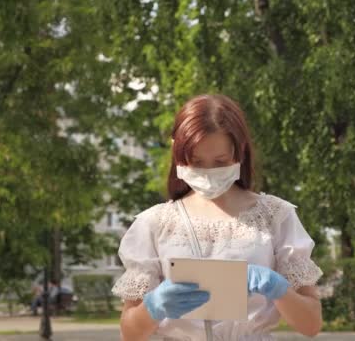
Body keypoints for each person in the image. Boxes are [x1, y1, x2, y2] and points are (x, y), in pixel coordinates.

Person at [112, 94, 323, 340]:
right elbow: (129, 334)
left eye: (220, 161)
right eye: (197, 161)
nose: (208, 172)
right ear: (177, 154)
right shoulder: (154, 223)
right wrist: (153, 307)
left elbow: (311, 326)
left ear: (239, 151)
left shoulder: (276, 216)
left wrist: (277, 288)